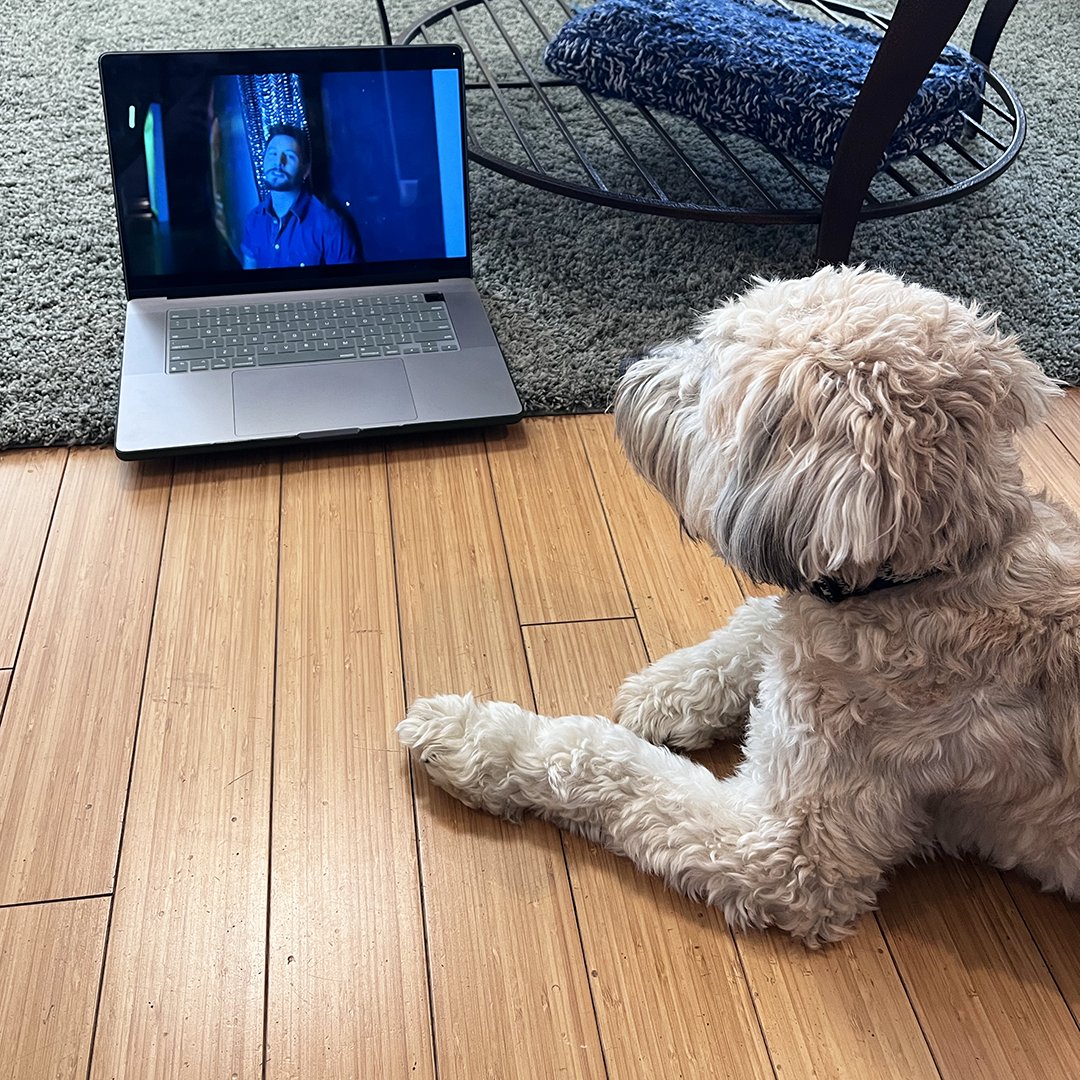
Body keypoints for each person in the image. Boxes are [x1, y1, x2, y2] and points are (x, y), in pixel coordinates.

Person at [241, 125, 359, 269]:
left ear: (305, 170)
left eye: (290, 156)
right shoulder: (253, 220)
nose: (279, 163)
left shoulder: (329, 224)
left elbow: (345, 288)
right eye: (272, 154)